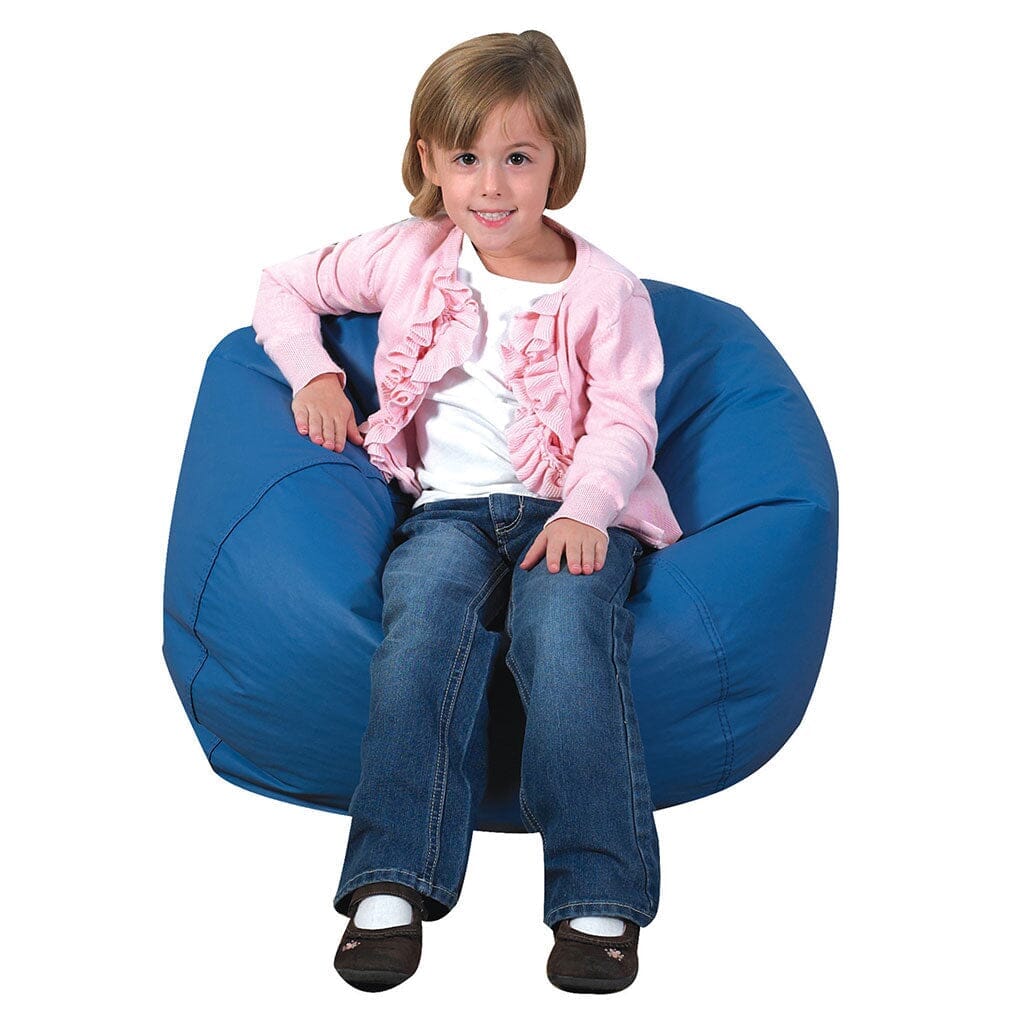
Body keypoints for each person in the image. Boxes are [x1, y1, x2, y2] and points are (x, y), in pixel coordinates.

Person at [251, 29, 684, 994]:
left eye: (518, 158)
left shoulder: (606, 291)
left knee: (565, 638)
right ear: (429, 161)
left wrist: (584, 512)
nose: (491, 186)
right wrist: (316, 374)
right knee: (419, 634)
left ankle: (598, 895)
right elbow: (282, 285)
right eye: (466, 158)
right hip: (447, 514)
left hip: (572, 513)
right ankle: (390, 881)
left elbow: (625, 422)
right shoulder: (409, 254)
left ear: (559, 160)